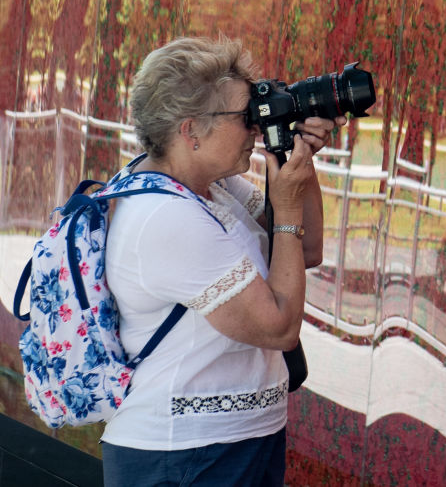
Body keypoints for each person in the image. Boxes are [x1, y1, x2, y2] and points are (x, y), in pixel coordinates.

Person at [100, 37, 347, 486]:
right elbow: (278, 327)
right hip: (183, 456)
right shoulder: (165, 217)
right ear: (190, 130)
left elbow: (302, 249)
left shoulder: (212, 187)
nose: (255, 129)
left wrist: (296, 162)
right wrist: (286, 205)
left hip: (240, 440)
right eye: (243, 117)